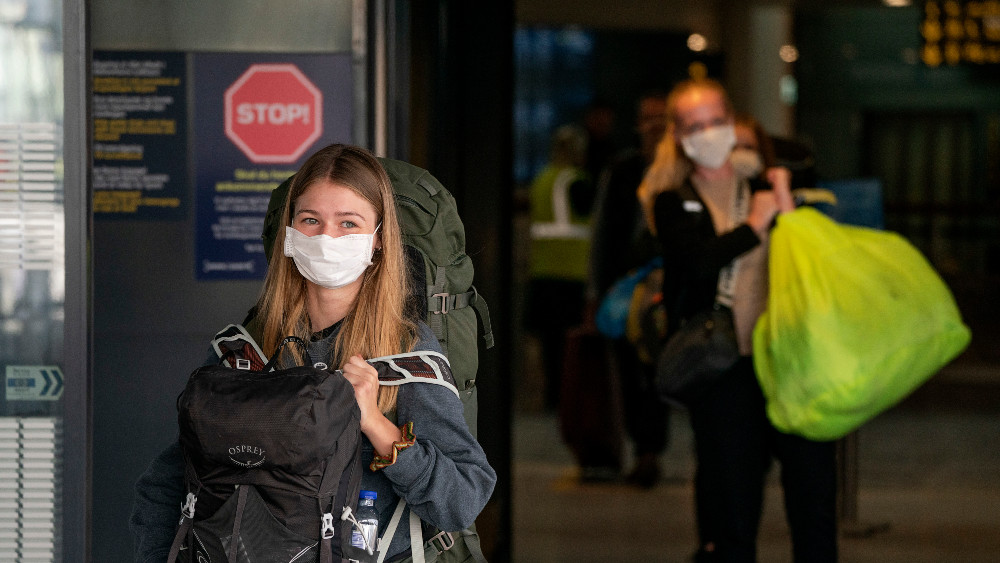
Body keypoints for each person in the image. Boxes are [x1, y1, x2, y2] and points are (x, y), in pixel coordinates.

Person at [129, 144, 497, 562]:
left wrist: (376, 424)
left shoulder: (405, 353)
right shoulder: (245, 355)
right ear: (288, 234)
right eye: (310, 220)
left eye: (348, 223)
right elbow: (162, 488)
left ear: (378, 241)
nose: (327, 238)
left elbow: (462, 500)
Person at [638, 78, 837, 562]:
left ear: (733, 121)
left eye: (716, 121)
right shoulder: (672, 199)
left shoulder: (767, 182)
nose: (708, 133)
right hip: (724, 368)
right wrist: (753, 227)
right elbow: (698, 261)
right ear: (679, 135)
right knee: (732, 499)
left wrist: (781, 199)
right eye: (694, 125)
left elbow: (804, 253)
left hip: (787, 359)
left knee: (813, 491)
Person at [586, 90, 670, 488]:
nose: (653, 129)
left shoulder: (680, 172)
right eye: (647, 119)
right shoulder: (622, 171)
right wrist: (594, 292)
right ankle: (641, 450)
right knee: (630, 372)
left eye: (661, 120)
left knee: (659, 373)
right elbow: (601, 235)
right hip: (624, 292)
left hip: (668, 292)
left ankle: (651, 449)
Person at [526, 124, 595, 410]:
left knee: (549, 347)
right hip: (572, 275)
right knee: (571, 348)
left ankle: (551, 400)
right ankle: (568, 401)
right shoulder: (577, 181)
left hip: (542, 273)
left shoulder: (542, 180)